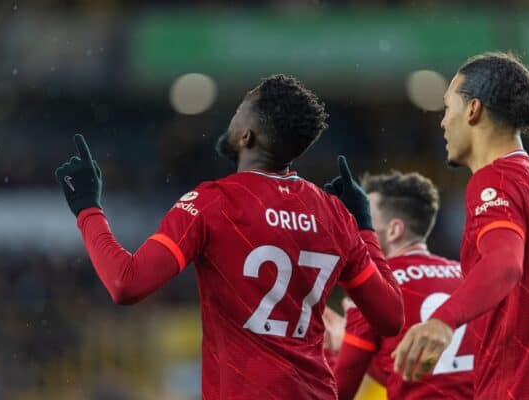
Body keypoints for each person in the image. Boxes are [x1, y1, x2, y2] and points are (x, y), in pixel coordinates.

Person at [54, 74, 404, 399]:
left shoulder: (214, 202)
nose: (232, 119)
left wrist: (87, 208)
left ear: (247, 136)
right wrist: (364, 226)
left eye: (239, 111)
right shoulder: (335, 215)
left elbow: (125, 283)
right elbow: (390, 317)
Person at [392, 52, 529, 399]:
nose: (443, 122)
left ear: (473, 110)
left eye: (448, 108)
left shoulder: (498, 179)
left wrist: (441, 321)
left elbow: (505, 263)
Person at [324, 171, 474, 399]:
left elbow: (338, 393)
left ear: (394, 230)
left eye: (365, 219)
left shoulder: (376, 290)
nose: (355, 227)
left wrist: (332, 350)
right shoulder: (466, 277)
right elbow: (432, 375)